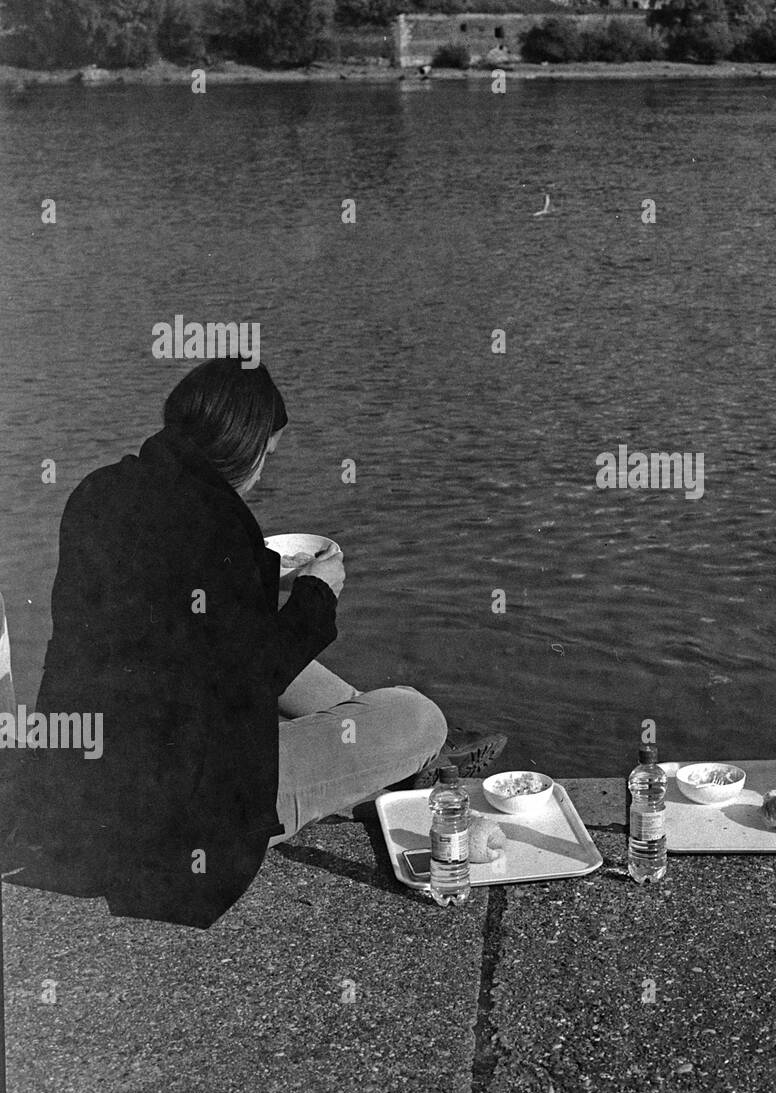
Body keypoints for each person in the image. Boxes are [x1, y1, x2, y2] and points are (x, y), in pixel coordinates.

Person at [7, 359, 502, 925]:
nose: (264, 471)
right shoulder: (222, 524)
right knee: (418, 715)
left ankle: (393, 760)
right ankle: (413, 763)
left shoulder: (100, 491)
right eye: (267, 455)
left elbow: (173, 630)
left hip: (81, 786)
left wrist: (257, 581)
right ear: (245, 449)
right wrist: (317, 596)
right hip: (179, 824)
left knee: (309, 688)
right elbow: (244, 685)